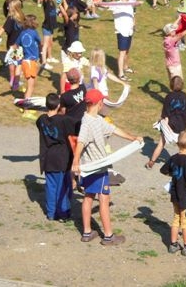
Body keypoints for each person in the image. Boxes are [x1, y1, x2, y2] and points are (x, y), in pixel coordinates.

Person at [71, 89, 142, 246]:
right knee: (104, 198)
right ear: (100, 103)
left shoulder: (95, 119)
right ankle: (109, 236)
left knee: (88, 196)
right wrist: (75, 162)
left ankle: (87, 232)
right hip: (97, 168)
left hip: (88, 167)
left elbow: (114, 129)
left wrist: (132, 138)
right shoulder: (87, 123)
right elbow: (80, 142)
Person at [160, 130, 186, 256]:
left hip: (175, 194)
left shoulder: (173, 158)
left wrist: (174, 175)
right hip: (185, 195)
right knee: (185, 221)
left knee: (176, 218)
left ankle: (173, 245)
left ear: (178, 144)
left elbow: (163, 170)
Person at [36, 93, 76, 221]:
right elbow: (76, 126)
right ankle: (63, 213)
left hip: (47, 157)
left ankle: (51, 213)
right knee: (62, 187)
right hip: (61, 157)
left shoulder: (41, 120)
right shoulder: (64, 120)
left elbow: (40, 123)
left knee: (51, 186)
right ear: (58, 105)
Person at [146, 75, 186, 169]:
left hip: (170, 125)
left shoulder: (169, 97)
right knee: (181, 146)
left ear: (171, 85)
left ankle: (151, 162)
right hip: (181, 125)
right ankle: (182, 165)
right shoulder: (184, 96)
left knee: (161, 143)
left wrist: (162, 122)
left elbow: (165, 114)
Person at [88, 48, 128, 115]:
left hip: (104, 96)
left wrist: (122, 83)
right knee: (101, 114)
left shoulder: (101, 68)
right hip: (100, 97)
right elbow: (95, 84)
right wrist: (99, 96)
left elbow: (110, 75)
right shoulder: (94, 70)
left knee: (103, 113)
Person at [111, 0, 136, 81]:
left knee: (127, 50)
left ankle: (125, 67)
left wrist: (134, 25)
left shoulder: (130, 4)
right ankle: (121, 74)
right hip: (122, 31)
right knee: (122, 52)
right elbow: (105, 6)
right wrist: (98, 3)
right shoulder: (117, 4)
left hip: (129, 31)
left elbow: (132, 15)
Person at [16, 14, 41, 105]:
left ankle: (26, 101)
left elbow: (16, 44)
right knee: (31, 86)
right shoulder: (34, 32)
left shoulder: (22, 33)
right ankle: (26, 108)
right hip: (30, 62)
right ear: (32, 22)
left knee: (30, 85)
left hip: (25, 61)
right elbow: (40, 42)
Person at [59, 67, 87, 133]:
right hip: (83, 122)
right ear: (79, 78)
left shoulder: (65, 96)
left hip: (70, 124)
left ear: (68, 80)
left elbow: (63, 112)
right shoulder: (83, 88)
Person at [40, 0, 59, 70]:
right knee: (45, 45)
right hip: (47, 27)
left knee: (50, 43)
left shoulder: (52, 3)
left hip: (51, 27)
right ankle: (44, 63)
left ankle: (50, 57)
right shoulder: (46, 2)